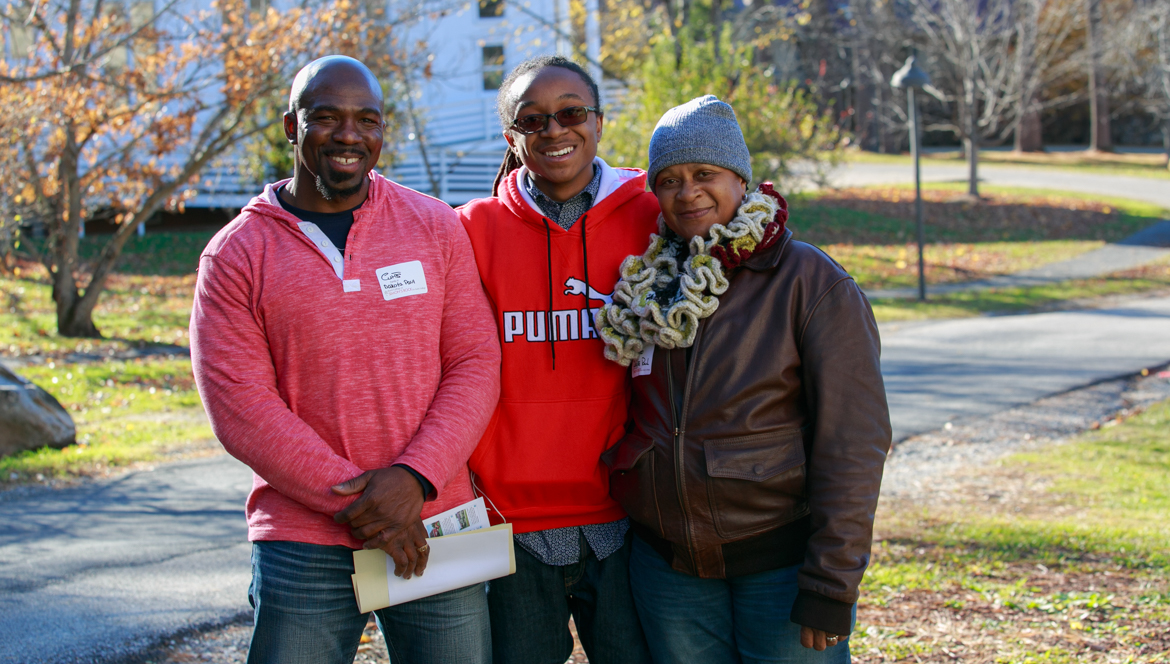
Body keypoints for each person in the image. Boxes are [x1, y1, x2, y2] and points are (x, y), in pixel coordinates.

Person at [189, 56, 501, 664]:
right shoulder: (236, 254)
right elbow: (241, 409)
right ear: (291, 126)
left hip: (434, 520)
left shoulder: (434, 226)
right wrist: (368, 509)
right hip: (304, 538)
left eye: (368, 119)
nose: (349, 134)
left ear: (384, 130)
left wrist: (413, 480)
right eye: (326, 117)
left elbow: (474, 362)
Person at [596, 95, 892, 663]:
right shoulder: (649, 287)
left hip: (780, 569)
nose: (687, 192)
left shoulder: (808, 280)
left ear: (740, 178)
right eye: (669, 180)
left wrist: (831, 584)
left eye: (704, 174)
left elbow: (854, 443)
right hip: (670, 571)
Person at [456, 55, 657, 664]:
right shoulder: (470, 231)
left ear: (599, 122)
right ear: (510, 138)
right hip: (507, 527)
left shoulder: (655, 215)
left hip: (628, 518)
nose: (554, 130)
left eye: (571, 113)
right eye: (532, 120)